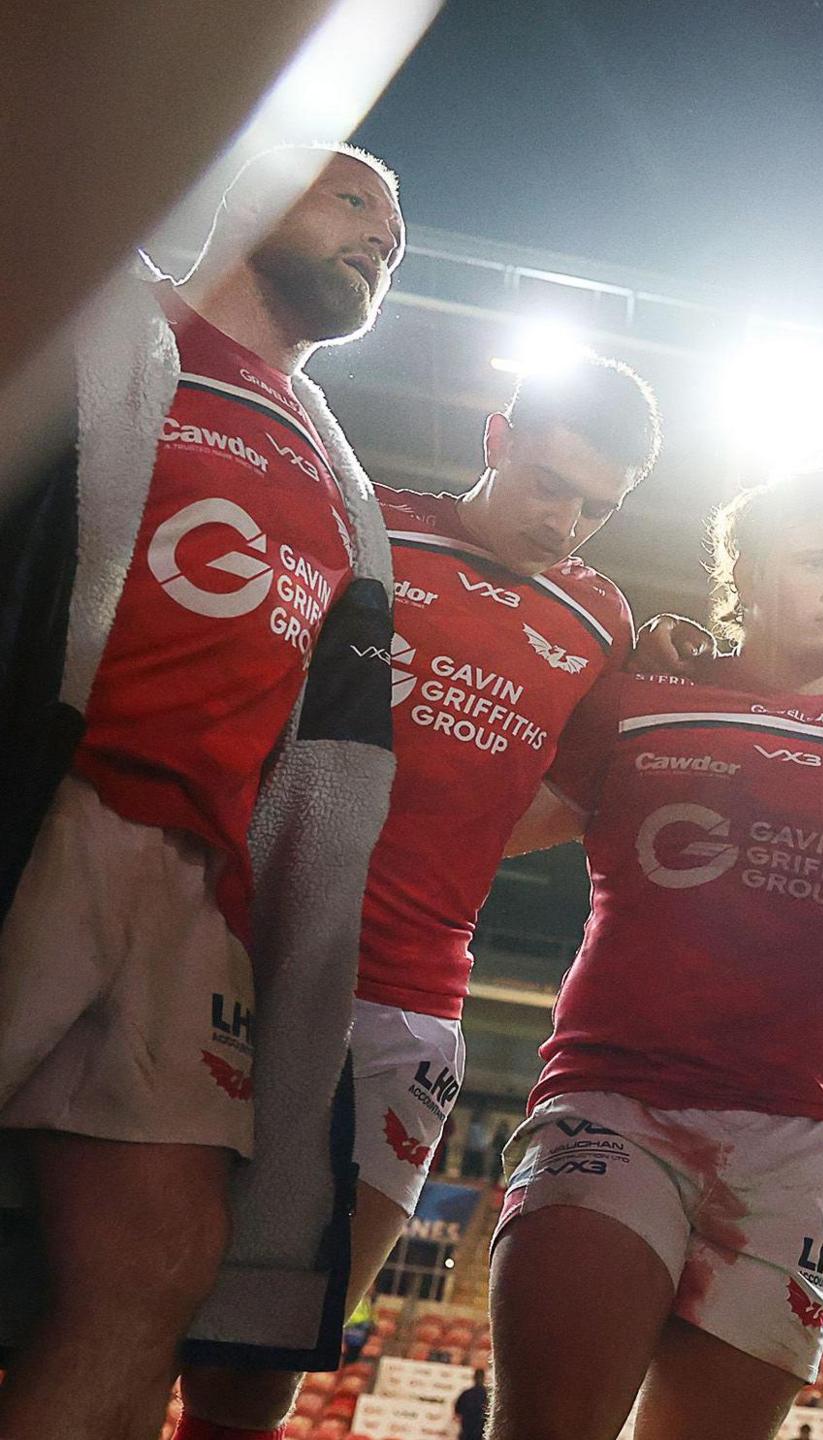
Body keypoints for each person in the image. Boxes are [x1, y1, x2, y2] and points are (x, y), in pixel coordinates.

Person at [172, 354, 662, 1438]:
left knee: (254, 1368)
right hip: (231, 954)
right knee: (106, 1301)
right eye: (548, 482)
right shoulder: (364, 527)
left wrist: (451, 846)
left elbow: (573, 797)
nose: (566, 519)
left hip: (404, 1001)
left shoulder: (598, 617)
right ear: (495, 436)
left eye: (597, 504)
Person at [0, 143, 403, 1440]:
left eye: (395, 236)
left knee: (160, 1259)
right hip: (47, 818)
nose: (382, 240)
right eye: (355, 202)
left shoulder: (349, 492)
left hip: (196, 883)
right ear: (248, 191)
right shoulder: (89, 327)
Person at [486, 470, 823, 1440]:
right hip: (617, 1107)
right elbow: (473, 825)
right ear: (740, 572)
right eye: (816, 560)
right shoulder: (635, 707)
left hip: (805, 1147)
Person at [455, 1368, 491, 1440]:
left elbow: (457, 1411)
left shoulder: (466, 1393)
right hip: (481, 1433)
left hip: (467, 1432)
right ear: (484, 1378)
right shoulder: (488, 1395)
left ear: (474, 1378)